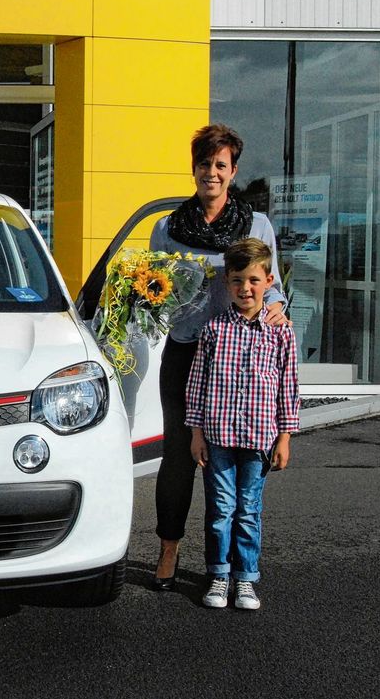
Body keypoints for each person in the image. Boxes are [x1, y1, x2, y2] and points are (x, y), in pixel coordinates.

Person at [148, 124, 287, 590]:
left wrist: (277, 309)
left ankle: (225, 565)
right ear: (194, 169)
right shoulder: (167, 228)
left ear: (233, 171)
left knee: (227, 457)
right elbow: (154, 289)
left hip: (237, 358)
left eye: (221, 165)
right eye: (205, 163)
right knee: (178, 455)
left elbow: (273, 288)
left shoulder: (256, 225)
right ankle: (169, 547)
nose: (212, 172)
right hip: (186, 352)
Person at [185, 238, 299, 609]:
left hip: (259, 438)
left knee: (249, 511)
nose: (245, 288)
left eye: (253, 280)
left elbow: (288, 388)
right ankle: (219, 575)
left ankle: (245, 578)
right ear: (227, 283)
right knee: (221, 509)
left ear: (268, 281)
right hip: (217, 436)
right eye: (237, 280)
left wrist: (285, 437)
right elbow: (197, 385)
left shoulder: (281, 333)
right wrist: (197, 434)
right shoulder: (214, 330)